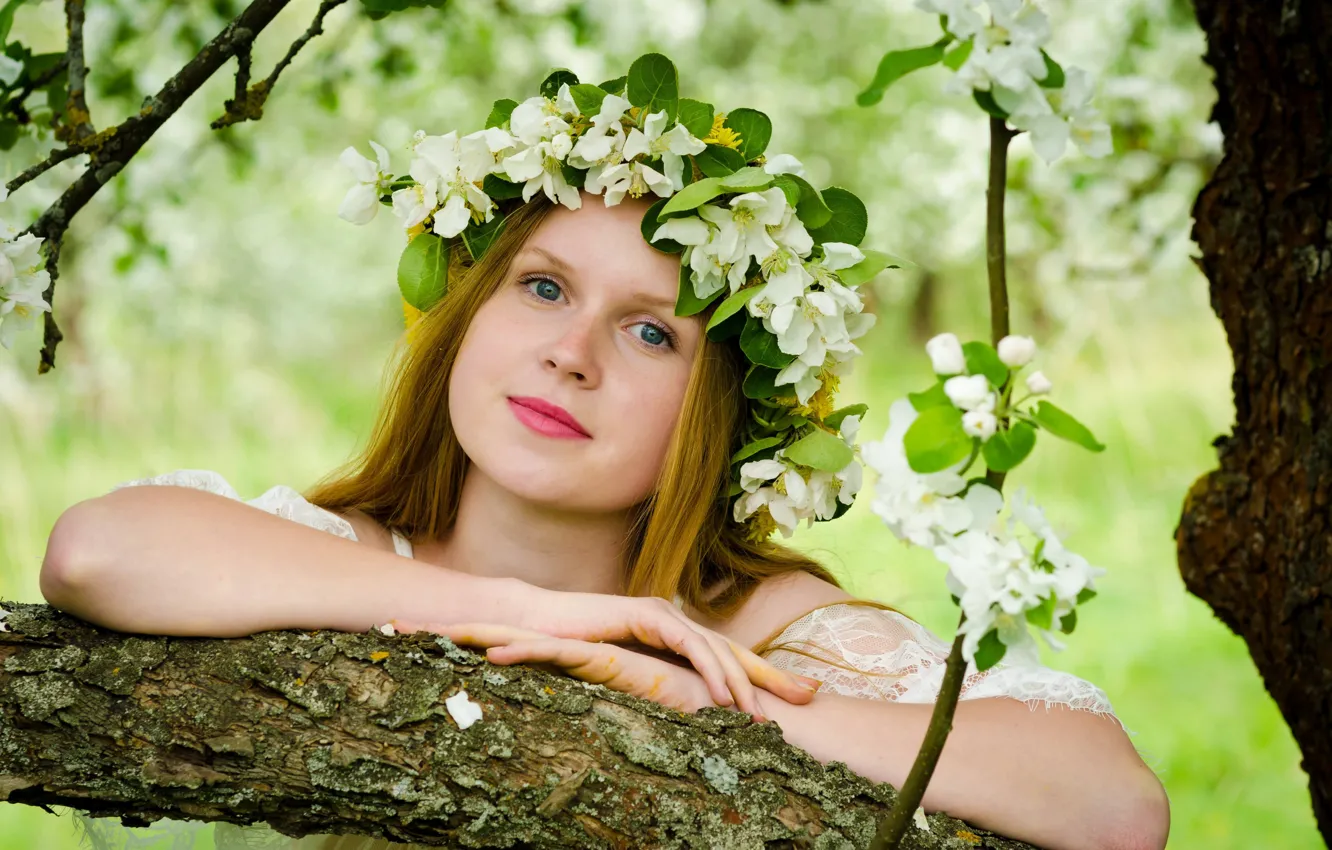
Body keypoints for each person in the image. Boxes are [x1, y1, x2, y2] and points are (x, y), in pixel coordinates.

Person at [40, 55, 1168, 850]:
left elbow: (1114, 808)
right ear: (466, 322)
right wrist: (522, 611)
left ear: (718, 417)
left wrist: (700, 698)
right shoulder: (351, 553)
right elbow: (96, 553)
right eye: (541, 288)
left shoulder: (764, 631)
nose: (570, 354)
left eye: (647, 331)